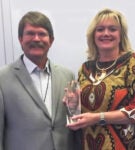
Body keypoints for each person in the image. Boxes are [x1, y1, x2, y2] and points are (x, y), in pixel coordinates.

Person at [67, 8, 135, 150]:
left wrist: (99, 118)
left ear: (121, 35)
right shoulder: (85, 69)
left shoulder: (132, 62)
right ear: (93, 35)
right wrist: (73, 105)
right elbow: (79, 116)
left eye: (112, 29)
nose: (106, 33)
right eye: (100, 29)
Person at [0, 11, 78, 150]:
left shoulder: (68, 75)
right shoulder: (3, 77)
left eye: (42, 34)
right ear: (20, 39)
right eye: (30, 33)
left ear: (51, 40)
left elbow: (75, 121)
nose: (36, 39)